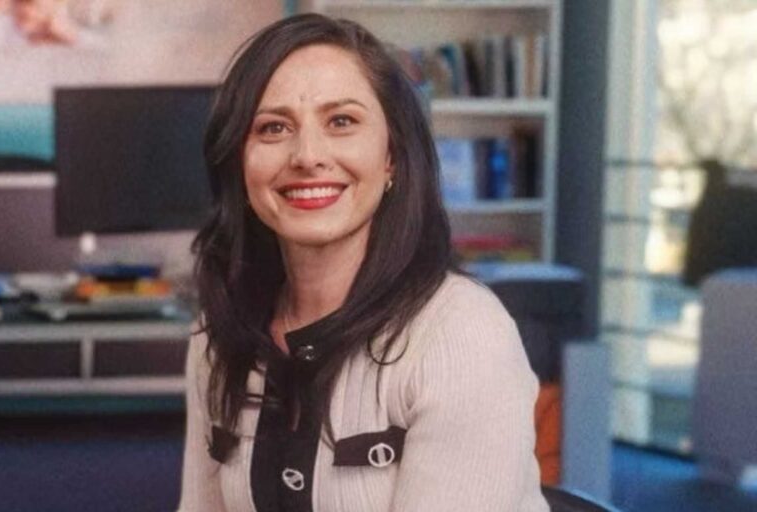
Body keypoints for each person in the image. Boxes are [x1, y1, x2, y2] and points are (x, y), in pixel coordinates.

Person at [178, 13, 549, 512]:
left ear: (391, 155)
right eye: (273, 128)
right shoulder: (218, 335)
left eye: (341, 122)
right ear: (239, 164)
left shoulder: (462, 334)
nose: (307, 155)